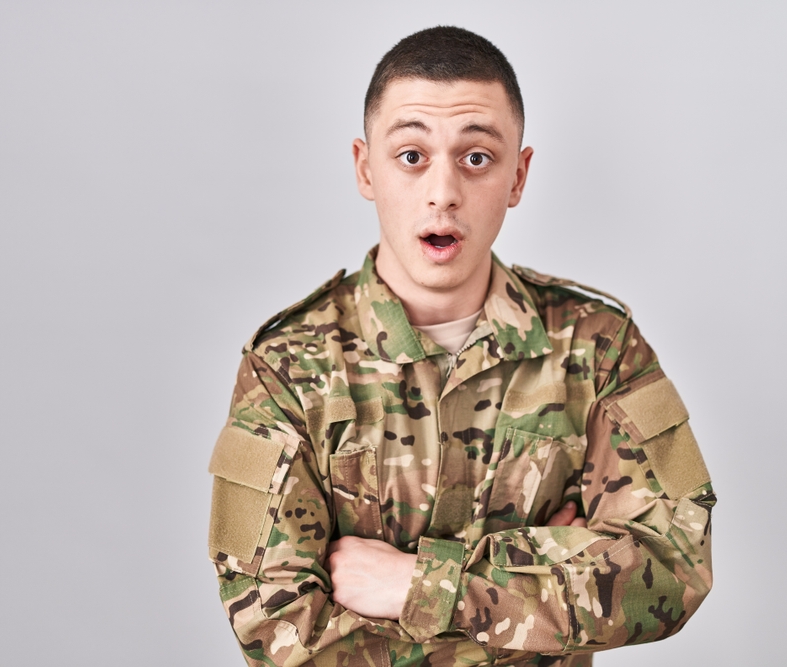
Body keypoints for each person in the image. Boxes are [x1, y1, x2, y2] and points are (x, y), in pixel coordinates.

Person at [207, 26, 714, 667]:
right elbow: (275, 629)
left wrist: (413, 586)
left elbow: (674, 566)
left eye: (476, 158)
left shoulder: (599, 348)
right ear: (367, 168)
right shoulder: (286, 366)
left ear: (518, 176)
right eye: (412, 156)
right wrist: (545, 581)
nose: (443, 191)